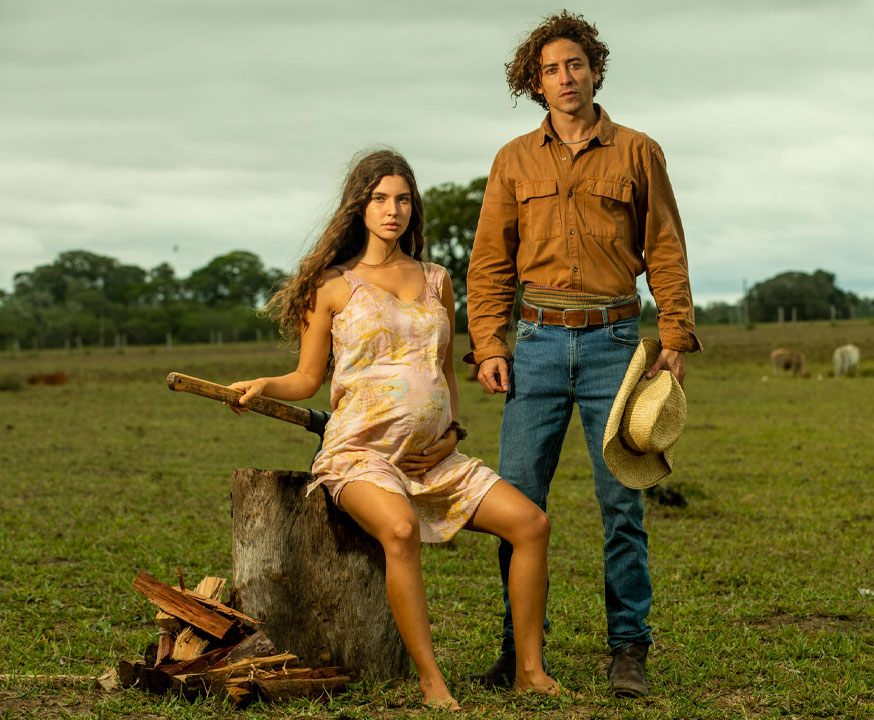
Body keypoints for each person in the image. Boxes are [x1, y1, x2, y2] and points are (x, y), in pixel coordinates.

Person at [227, 149, 562, 710]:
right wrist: (264, 384)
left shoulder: (436, 280)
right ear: (358, 207)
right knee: (401, 531)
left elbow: (444, 372)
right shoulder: (332, 285)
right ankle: (431, 680)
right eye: (379, 198)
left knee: (531, 524)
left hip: (434, 457)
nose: (392, 210)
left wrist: (452, 433)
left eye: (403, 199)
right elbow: (307, 378)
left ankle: (530, 670)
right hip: (360, 455)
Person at [463, 11, 700, 698]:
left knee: (622, 505)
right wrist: (490, 343)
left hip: (615, 345)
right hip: (535, 344)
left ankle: (629, 650)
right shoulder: (512, 159)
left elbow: (665, 248)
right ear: (534, 83)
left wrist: (676, 335)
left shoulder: (638, 152)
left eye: (575, 65)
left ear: (595, 70)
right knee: (515, 504)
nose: (565, 78)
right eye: (550, 70)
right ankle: (517, 651)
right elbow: (490, 262)